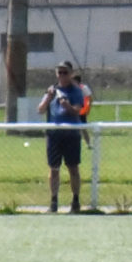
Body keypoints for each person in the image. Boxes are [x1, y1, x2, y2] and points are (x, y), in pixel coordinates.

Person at [43, 60, 92, 212]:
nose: (62, 75)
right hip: (54, 134)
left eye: (65, 72)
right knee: (54, 169)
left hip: (71, 134)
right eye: (60, 72)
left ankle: (75, 200)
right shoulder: (52, 90)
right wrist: (48, 98)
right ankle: (54, 201)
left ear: (71, 74)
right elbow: (40, 109)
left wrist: (67, 106)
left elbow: (77, 111)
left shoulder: (76, 91)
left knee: (73, 168)